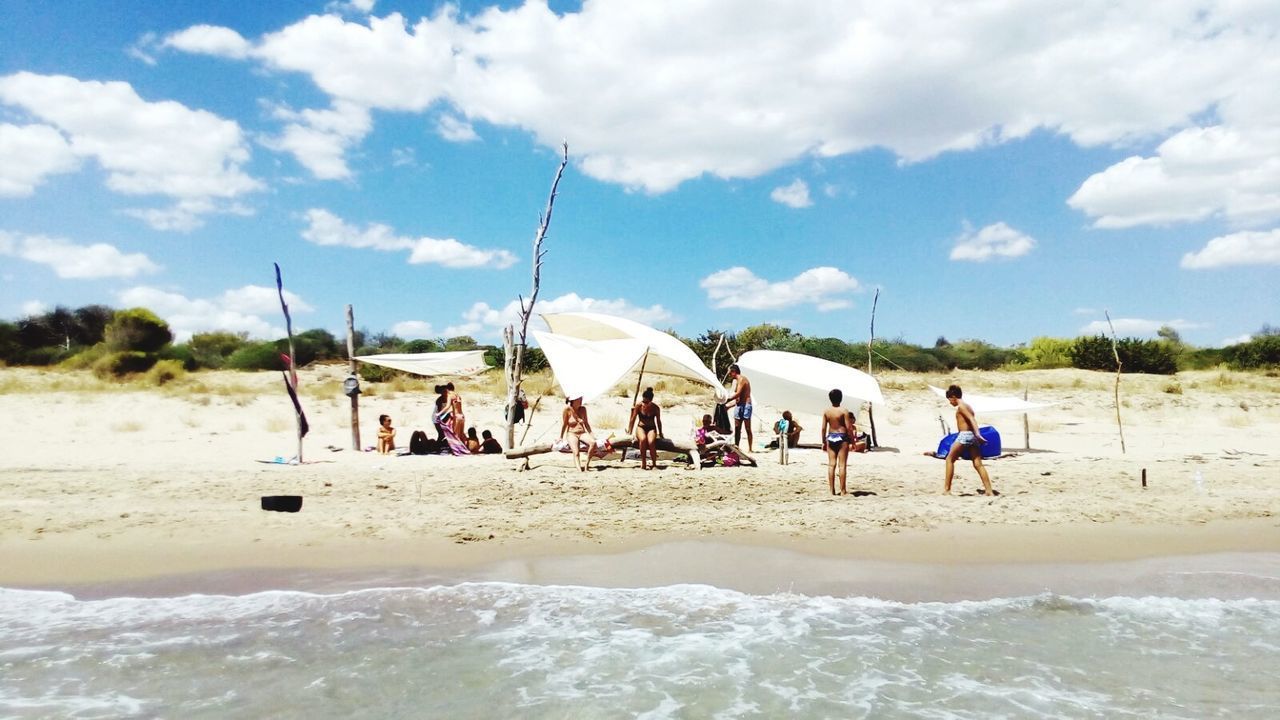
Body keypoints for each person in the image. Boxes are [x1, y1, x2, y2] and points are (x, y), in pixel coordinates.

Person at [944, 384, 995, 496]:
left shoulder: (961, 407)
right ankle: (989, 490)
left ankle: (947, 490)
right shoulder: (968, 406)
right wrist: (975, 435)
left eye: (949, 400)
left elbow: (972, 419)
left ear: (953, 396)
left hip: (965, 435)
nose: (950, 402)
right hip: (971, 435)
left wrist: (978, 434)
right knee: (978, 464)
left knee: (949, 459)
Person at [820, 389, 857, 496]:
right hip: (842, 437)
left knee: (831, 465)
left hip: (831, 437)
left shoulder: (826, 411)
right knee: (842, 465)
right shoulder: (844, 411)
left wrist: (823, 441)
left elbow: (823, 428)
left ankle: (831, 490)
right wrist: (853, 440)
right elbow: (849, 427)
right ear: (841, 398)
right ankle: (843, 490)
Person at [627, 387, 664, 470]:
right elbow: (632, 419)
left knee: (651, 442)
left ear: (650, 401)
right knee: (643, 439)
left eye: (646, 402)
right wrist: (630, 431)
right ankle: (643, 462)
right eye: (643, 401)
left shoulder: (655, 408)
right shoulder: (639, 406)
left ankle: (654, 464)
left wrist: (661, 433)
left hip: (651, 428)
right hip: (641, 427)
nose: (644, 403)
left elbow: (658, 421)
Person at [559, 396, 597, 472]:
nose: (581, 401)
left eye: (581, 399)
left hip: (582, 432)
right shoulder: (567, 409)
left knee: (593, 443)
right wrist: (561, 437)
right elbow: (565, 424)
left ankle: (586, 466)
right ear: (573, 400)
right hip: (572, 433)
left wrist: (591, 434)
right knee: (576, 452)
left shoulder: (583, 409)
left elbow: (586, 423)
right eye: (579, 400)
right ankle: (579, 469)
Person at [726, 364, 753, 450]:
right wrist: (729, 406)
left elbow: (738, 394)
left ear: (734, 372)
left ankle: (750, 448)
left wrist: (727, 399)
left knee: (747, 428)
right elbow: (738, 398)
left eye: (730, 373)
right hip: (739, 405)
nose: (729, 375)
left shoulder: (742, 379)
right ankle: (736, 446)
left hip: (746, 405)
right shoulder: (737, 382)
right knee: (737, 428)